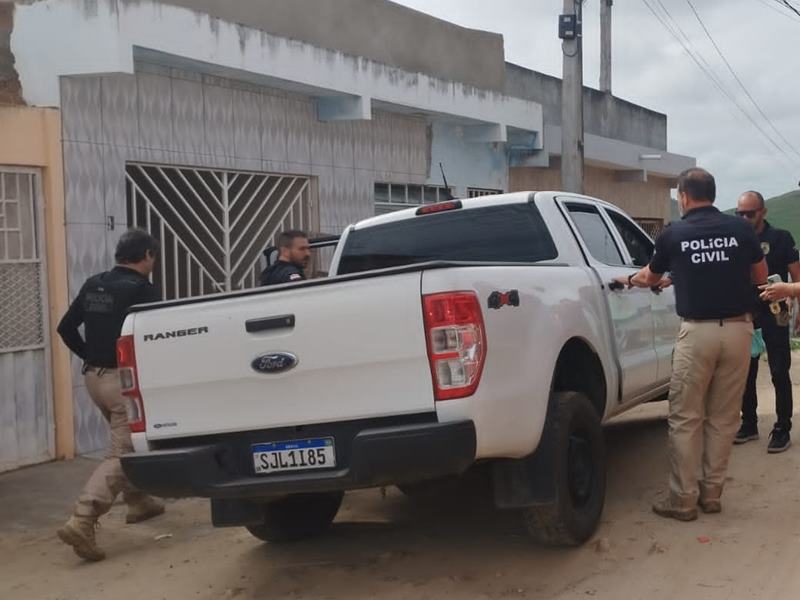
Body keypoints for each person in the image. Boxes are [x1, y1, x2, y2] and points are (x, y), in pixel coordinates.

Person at [614, 168, 767, 521]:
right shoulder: (741, 228)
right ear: (713, 194)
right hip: (739, 331)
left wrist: (632, 280)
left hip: (697, 333)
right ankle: (711, 494)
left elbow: (650, 277)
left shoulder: (674, 233)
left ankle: (682, 499)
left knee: (685, 417)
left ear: (683, 196)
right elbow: (759, 277)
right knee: (725, 416)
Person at [56, 228, 165, 561]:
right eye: (153, 257)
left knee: (122, 442)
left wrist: (91, 355)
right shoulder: (143, 290)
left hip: (94, 379)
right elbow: (154, 336)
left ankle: (139, 501)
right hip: (122, 382)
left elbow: (65, 327)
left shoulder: (94, 283)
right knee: (123, 451)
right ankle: (83, 519)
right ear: (147, 256)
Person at [733, 191, 800, 453]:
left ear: (763, 212)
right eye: (740, 213)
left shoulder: (780, 238)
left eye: (750, 213)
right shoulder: (735, 239)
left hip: (776, 311)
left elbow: (796, 276)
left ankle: (782, 427)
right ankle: (748, 423)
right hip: (745, 312)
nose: (744, 218)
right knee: (744, 373)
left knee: (778, 370)